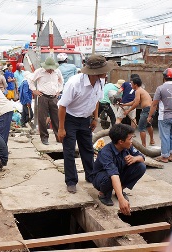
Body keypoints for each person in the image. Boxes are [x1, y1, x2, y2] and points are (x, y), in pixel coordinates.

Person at [58, 53, 113, 193]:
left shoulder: (101, 81)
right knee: (69, 151)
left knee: (87, 149)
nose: (106, 72)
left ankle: (91, 175)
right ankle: (71, 181)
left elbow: (96, 100)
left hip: (85, 119)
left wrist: (95, 118)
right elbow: (62, 106)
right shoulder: (74, 83)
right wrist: (61, 128)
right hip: (70, 119)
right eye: (104, 70)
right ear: (96, 71)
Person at [90, 124, 146, 214]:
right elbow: (113, 174)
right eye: (130, 139)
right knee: (109, 176)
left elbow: (142, 158)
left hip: (117, 175)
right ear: (121, 141)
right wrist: (121, 199)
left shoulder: (128, 147)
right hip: (102, 178)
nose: (132, 141)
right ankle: (103, 194)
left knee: (141, 167)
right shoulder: (106, 152)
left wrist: (135, 158)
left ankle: (119, 190)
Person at [147, 68, 172, 163]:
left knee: (165, 136)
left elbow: (154, 104)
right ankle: (170, 155)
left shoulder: (160, 88)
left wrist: (150, 116)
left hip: (165, 117)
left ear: (164, 78)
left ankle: (164, 157)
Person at [31, 57, 64, 145]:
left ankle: (58, 136)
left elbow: (61, 81)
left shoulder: (57, 71)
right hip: (43, 96)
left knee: (56, 117)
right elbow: (31, 81)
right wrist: (34, 90)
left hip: (53, 97)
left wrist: (59, 90)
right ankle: (44, 137)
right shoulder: (39, 71)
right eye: (48, 68)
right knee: (42, 118)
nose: (50, 70)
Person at [121, 77, 155, 147]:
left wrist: (128, 110)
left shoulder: (138, 91)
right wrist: (124, 104)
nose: (131, 85)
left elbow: (136, 103)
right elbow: (134, 102)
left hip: (147, 110)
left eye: (131, 84)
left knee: (141, 127)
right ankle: (152, 140)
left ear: (135, 85)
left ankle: (143, 146)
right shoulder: (141, 90)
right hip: (150, 109)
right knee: (148, 125)